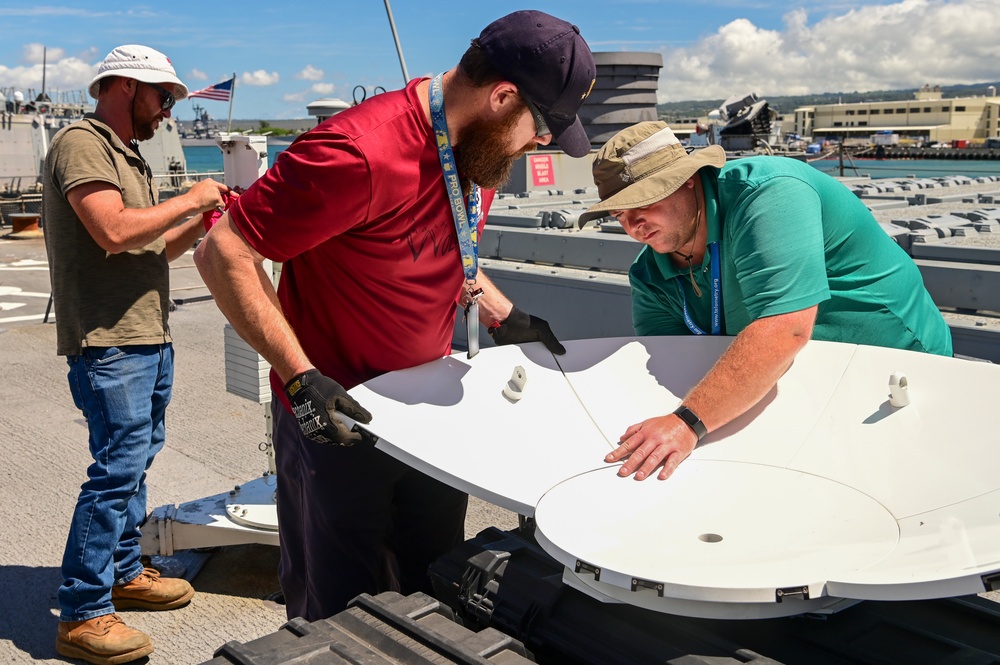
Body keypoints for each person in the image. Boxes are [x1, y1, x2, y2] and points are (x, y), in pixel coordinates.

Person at [194, 10, 595, 621]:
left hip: (426, 419)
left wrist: (503, 313)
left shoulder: (479, 154)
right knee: (337, 604)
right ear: (501, 96)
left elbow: (437, 244)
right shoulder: (360, 153)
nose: (542, 143)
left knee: (432, 589)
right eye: (541, 126)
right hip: (338, 417)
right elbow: (224, 249)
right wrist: (300, 379)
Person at [578, 121, 953, 482]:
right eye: (618, 214)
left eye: (643, 202)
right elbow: (675, 361)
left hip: (894, 373)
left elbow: (784, 330)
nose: (633, 225)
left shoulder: (768, 194)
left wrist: (686, 424)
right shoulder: (648, 274)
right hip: (800, 383)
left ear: (686, 178)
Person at [44, 45, 230, 664]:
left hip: (146, 334)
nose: (169, 110)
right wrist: (194, 196)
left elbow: (149, 250)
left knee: (136, 462)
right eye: (163, 98)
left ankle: (124, 574)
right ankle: (83, 612)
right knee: (115, 471)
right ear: (124, 86)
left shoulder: (129, 155)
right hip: (109, 339)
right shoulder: (82, 142)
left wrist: (203, 222)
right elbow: (113, 230)